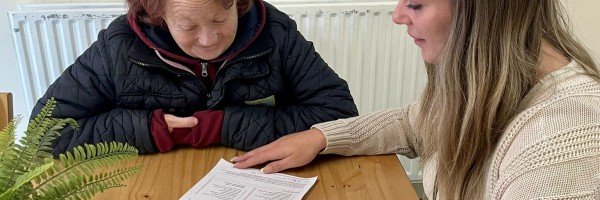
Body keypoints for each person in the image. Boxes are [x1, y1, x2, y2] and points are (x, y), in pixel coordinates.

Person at [232, 0, 600, 199]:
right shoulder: (484, 87)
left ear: (482, 13)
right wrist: (322, 137)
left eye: (417, 4)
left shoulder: (565, 139)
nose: (396, 16)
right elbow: (414, 122)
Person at [31, 0, 358, 155]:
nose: (208, 39)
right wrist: (149, 129)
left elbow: (339, 116)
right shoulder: (119, 47)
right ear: (158, 16)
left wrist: (222, 126)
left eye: (220, 19)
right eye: (188, 26)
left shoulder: (276, 33)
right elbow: (46, 133)